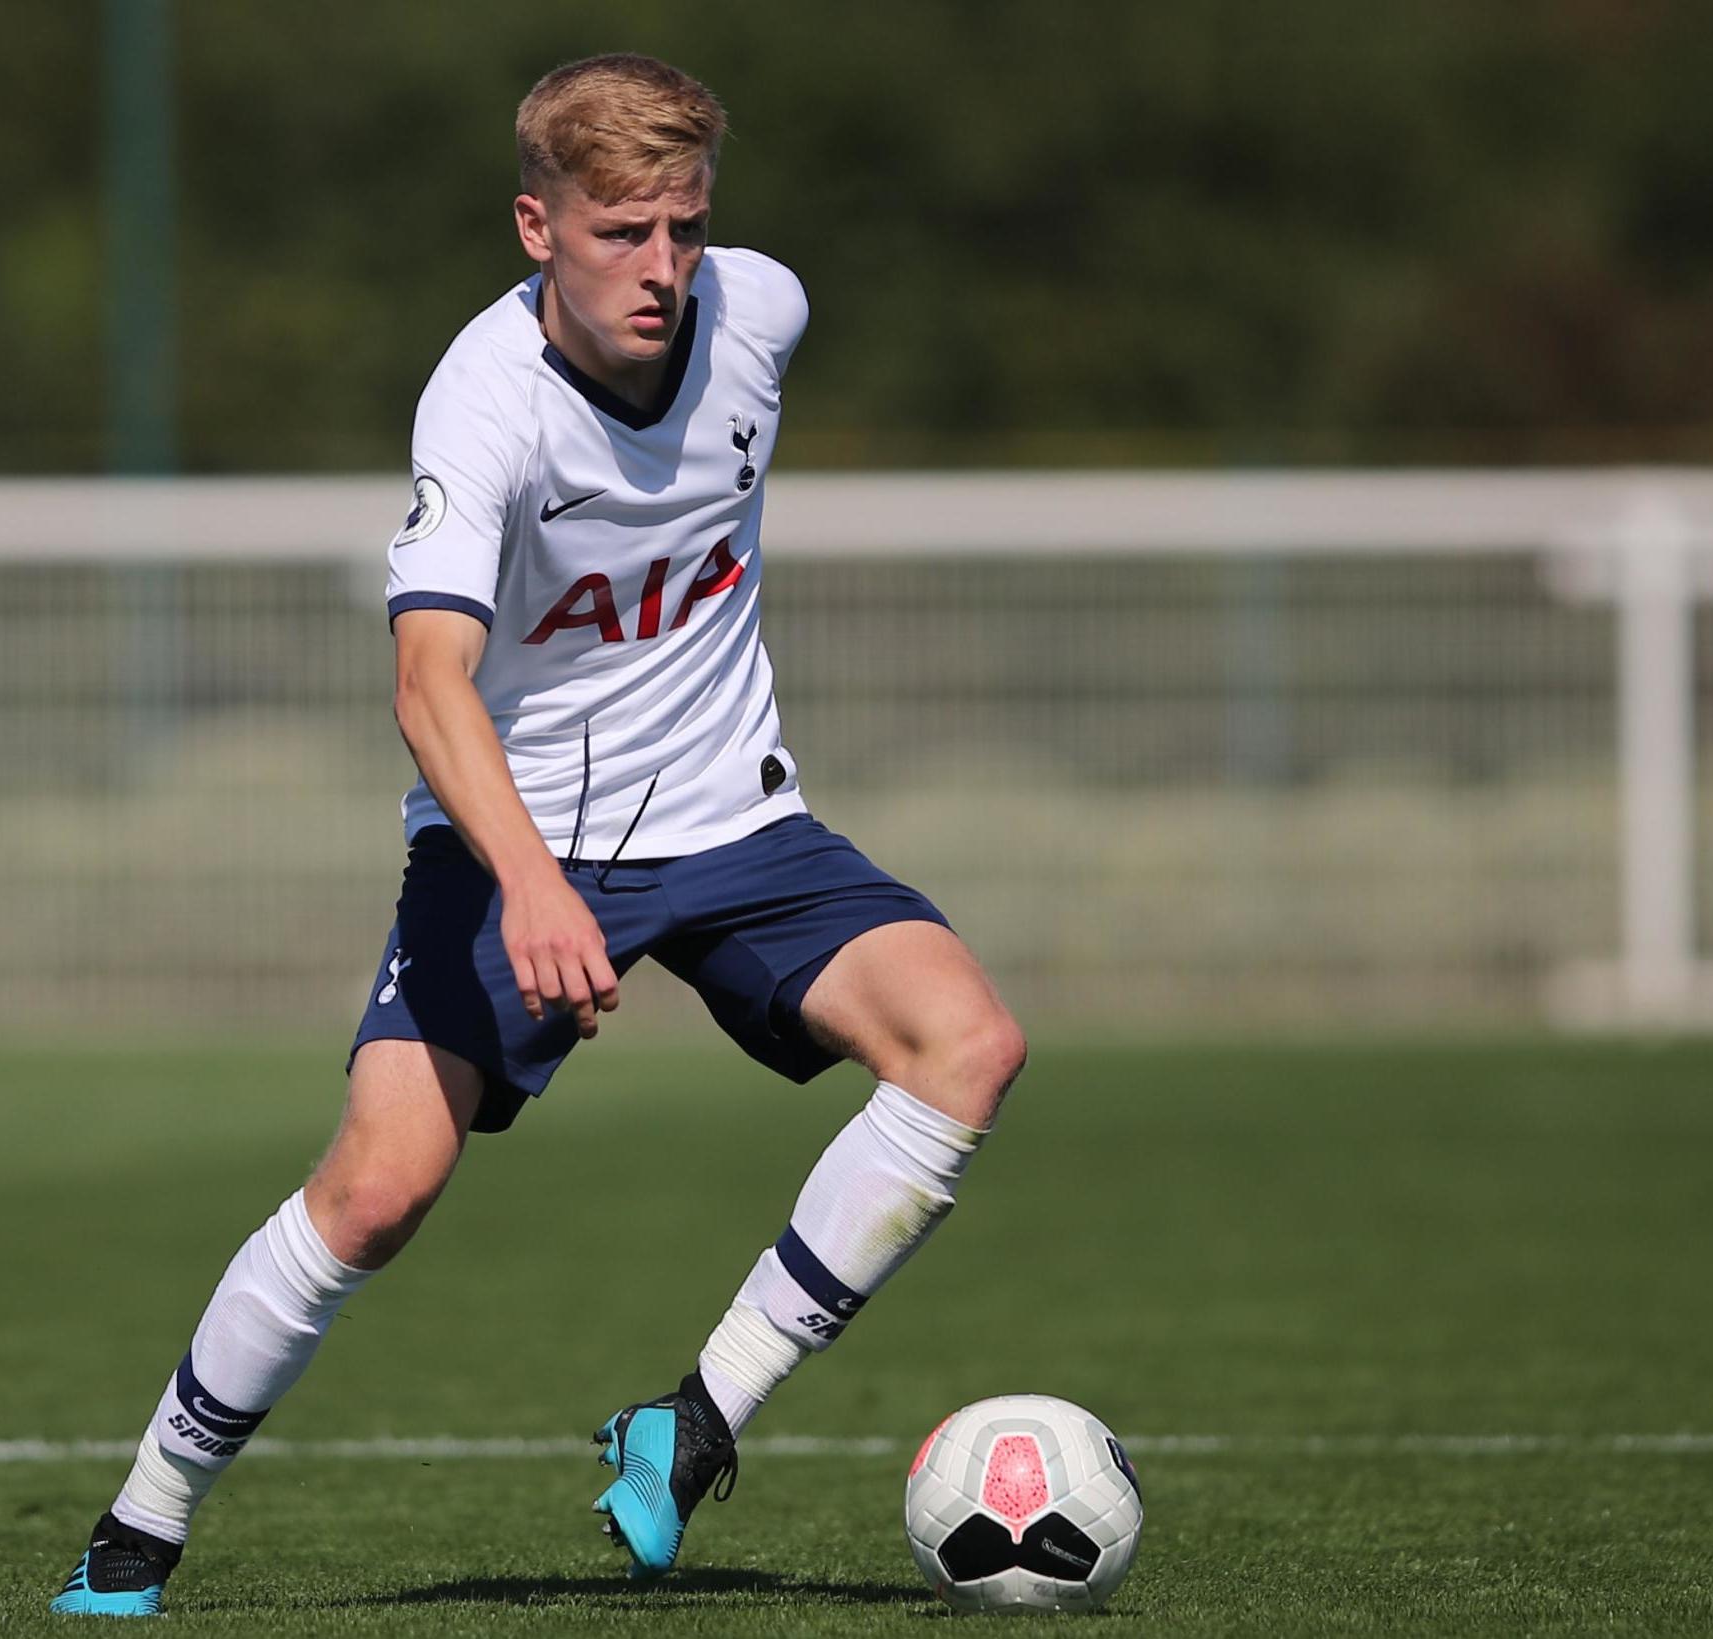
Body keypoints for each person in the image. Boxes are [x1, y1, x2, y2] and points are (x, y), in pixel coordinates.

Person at [52, 51, 1024, 1617]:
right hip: (515, 833)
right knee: (377, 1191)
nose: (662, 269)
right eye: (621, 231)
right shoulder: (483, 401)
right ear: (535, 226)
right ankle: (140, 1525)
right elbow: (427, 682)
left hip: (731, 813)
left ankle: (690, 1425)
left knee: (967, 1044)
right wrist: (529, 885)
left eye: (684, 228)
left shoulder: (759, 313)